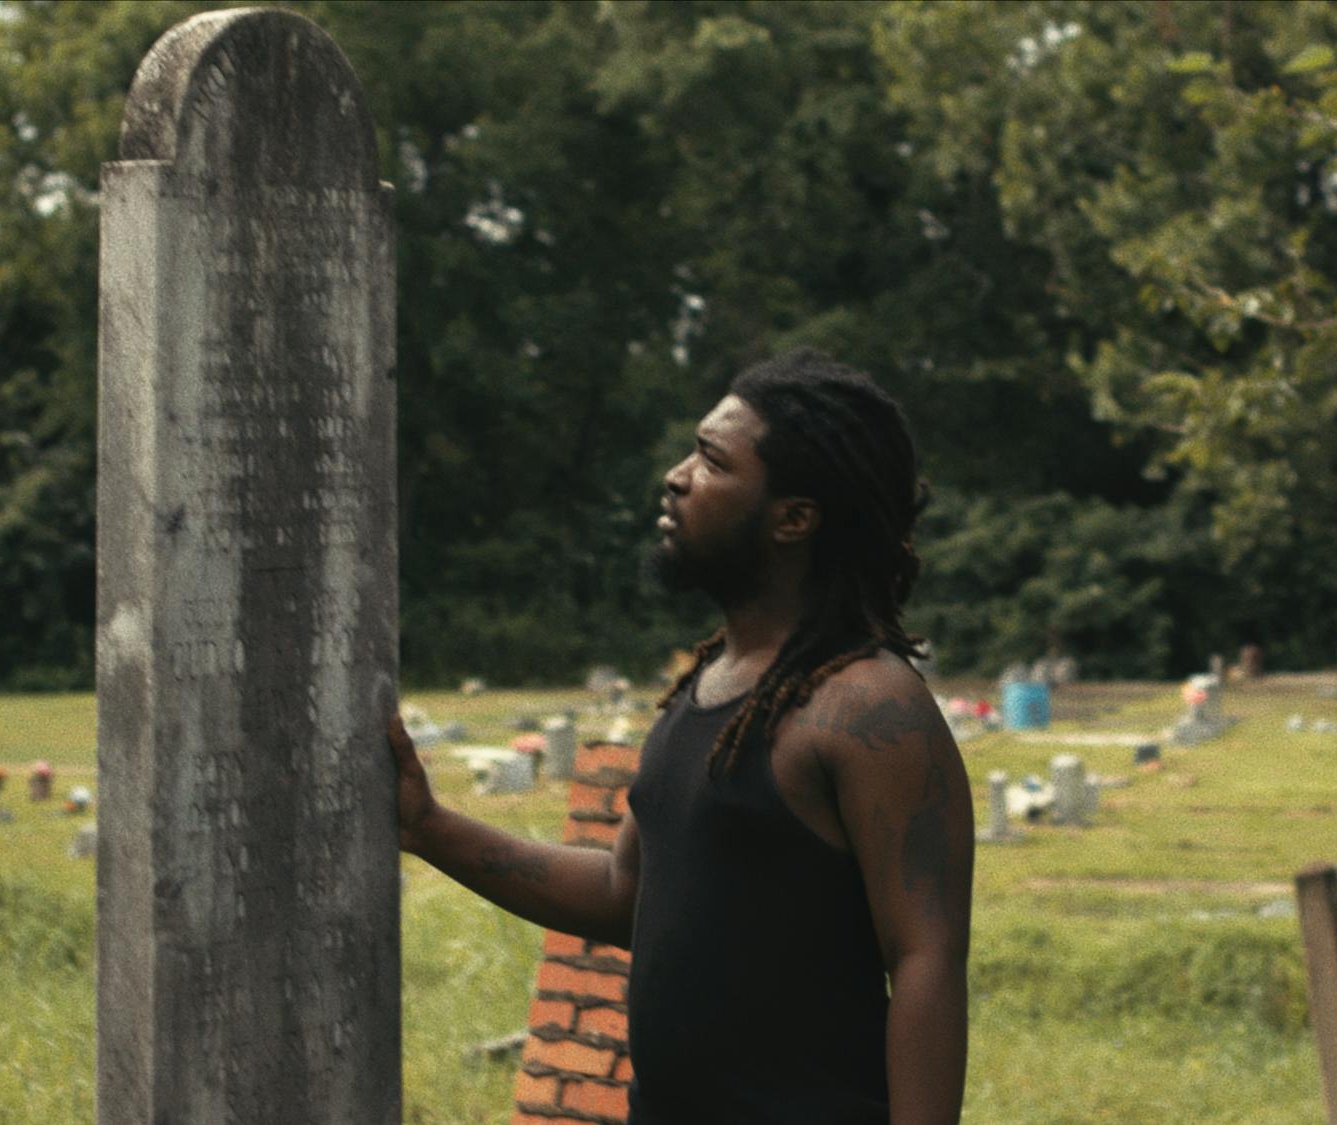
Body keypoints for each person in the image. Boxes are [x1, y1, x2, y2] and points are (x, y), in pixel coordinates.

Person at [389, 349, 974, 1123]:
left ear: (793, 517)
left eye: (710, 461)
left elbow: (925, 961)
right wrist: (428, 826)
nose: (675, 475)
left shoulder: (867, 707)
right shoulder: (707, 686)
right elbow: (619, 890)